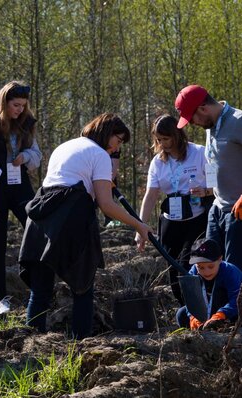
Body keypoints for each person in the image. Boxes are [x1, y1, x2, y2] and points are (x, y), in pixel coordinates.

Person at [19, 113, 153, 339]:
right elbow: (106, 205)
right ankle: (80, 345)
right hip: (72, 216)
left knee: (40, 289)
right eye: (118, 141)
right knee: (82, 287)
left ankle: (31, 344)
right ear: (107, 133)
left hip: (42, 215)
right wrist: (139, 225)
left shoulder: (65, 146)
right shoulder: (99, 154)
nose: (117, 148)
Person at [175, 85, 242, 278]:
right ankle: (218, 308)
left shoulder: (239, 122)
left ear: (203, 108)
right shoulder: (211, 126)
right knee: (209, 268)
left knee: (237, 274)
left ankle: (240, 308)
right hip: (218, 209)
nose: (193, 124)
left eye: (192, 119)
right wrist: (209, 192)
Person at [136, 114, 211, 305]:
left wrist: (205, 191)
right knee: (172, 267)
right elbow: (151, 195)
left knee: (186, 264)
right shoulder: (157, 162)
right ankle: (185, 308)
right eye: (159, 140)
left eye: (166, 138)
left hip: (196, 218)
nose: (163, 143)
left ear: (177, 135)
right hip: (171, 219)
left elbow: (218, 184)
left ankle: (201, 306)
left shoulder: (200, 153)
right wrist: (140, 226)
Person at [0, 81, 41, 312]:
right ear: (4, 103)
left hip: (20, 185)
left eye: (23, 105)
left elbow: (37, 155)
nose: (19, 110)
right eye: (15, 105)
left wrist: (26, 156)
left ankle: (39, 284)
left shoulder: (27, 124)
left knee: (36, 228)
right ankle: (0, 297)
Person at [176, 238, 242, 330]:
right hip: (211, 308)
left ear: (220, 259)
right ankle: (192, 339)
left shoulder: (230, 272)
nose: (206, 272)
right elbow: (191, 300)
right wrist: (192, 316)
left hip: (237, 309)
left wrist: (221, 314)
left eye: (210, 266)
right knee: (181, 314)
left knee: (239, 317)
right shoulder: (193, 273)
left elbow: (237, 300)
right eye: (201, 267)